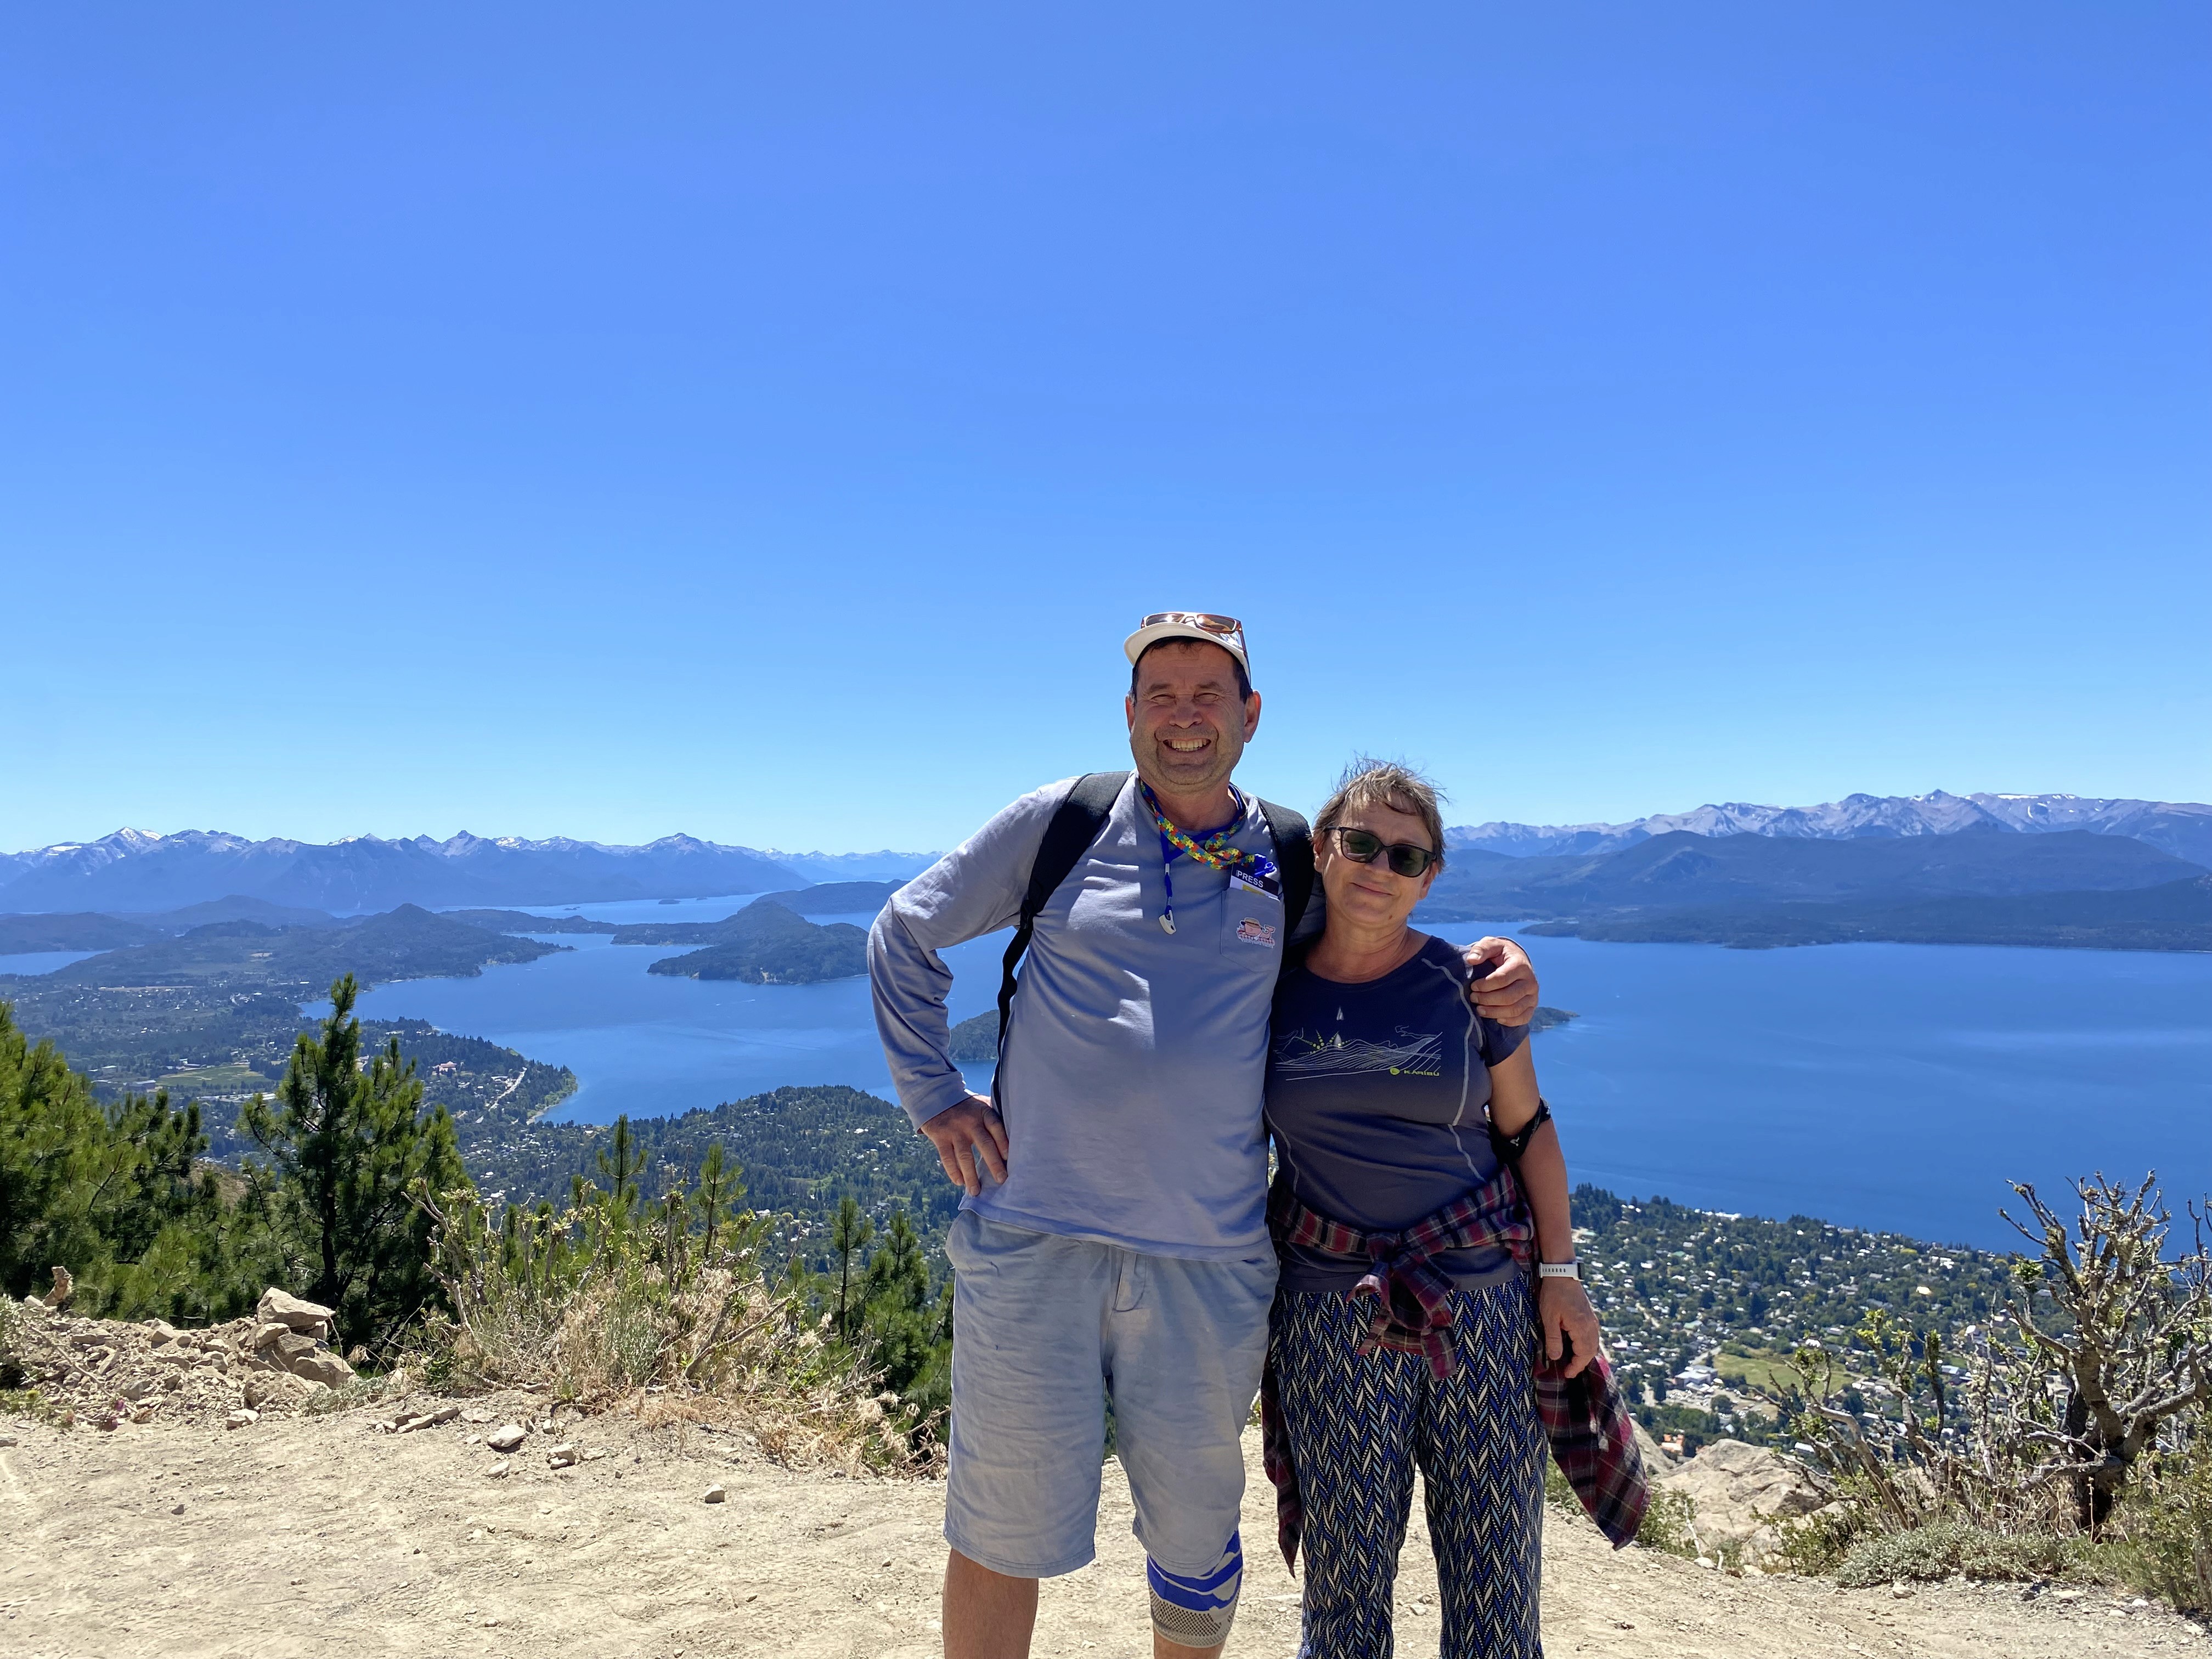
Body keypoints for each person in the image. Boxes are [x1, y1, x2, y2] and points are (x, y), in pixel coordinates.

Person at [868, 614, 1542, 1659]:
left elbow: (1378, 937)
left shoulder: (1287, 857)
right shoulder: (1064, 823)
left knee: (1193, 1544)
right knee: (1001, 1529)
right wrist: (933, 1095)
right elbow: (906, 929)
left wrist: (1492, 970)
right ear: (1131, 714)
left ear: (1251, 716)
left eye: (1209, 694)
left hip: (1208, 1260)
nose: (1186, 717)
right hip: (1033, 1238)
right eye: (1163, 695)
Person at [1260, 760, 1647, 1659]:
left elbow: (1529, 1128)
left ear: (1429, 877)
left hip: (1482, 1306)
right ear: (1322, 850)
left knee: (1496, 1589)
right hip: (1335, 1314)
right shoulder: (1266, 986)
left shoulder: (1467, 986)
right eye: (1359, 843)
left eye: (1406, 855)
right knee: (1345, 1593)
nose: (1378, 866)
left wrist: (1561, 1278)